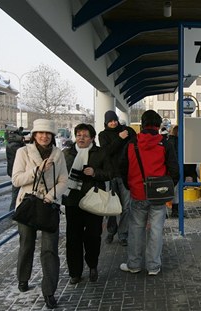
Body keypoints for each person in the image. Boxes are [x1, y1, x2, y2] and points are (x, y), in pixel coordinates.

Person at [11, 118, 68, 309]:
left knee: (50, 249)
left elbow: (63, 180)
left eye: (48, 133)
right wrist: (37, 170)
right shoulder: (23, 152)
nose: (44, 136)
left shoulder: (58, 154)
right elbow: (16, 179)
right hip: (28, 205)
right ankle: (23, 278)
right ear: (34, 135)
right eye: (40, 133)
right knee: (26, 243)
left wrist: (51, 196)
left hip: (48, 205)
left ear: (52, 136)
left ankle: (50, 291)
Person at [119, 110, 179, 276]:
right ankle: (153, 266)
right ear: (158, 125)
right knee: (156, 230)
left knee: (136, 230)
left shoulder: (132, 143)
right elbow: (175, 171)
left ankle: (134, 265)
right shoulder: (165, 144)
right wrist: (167, 188)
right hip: (158, 195)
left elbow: (122, 167)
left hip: (138, 193)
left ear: (142, 124)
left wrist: (130, 185)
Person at [62, 124, 111, 284]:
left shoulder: (100, 153)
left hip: (94, 200)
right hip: (73, 201)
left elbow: (110, 173)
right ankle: (75, 272)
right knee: (73, 237)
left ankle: (92, 265)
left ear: (92, 137)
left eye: (85, 135)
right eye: (78, 135)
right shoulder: (67, 154)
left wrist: (95, 173)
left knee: (93, 236)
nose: (81, 138)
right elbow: (59, 176)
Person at [98, 110, 137, 246]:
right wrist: (120, 138)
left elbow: (134, 143)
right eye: (110, 121)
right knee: (111, 207)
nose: (113, 123)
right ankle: (111, 231)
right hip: (111, 176)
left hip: (125, 175)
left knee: (126, 207)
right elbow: (106, 152)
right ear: (106, 122)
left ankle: (123, 234)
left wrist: (126, 135)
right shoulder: (103, 135)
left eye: (115, 120)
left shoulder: (127, 131)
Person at [168, 125, 198, 218]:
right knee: (177, 192)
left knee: (174, 191)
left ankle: (174, 210)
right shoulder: (181, 143)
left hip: (171, 171)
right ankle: (175, 210)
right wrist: (191, 174)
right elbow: (187, 159)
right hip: (178, 170)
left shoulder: (169, 142)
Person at [6, 127, 25, 211]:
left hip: (14, 171)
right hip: (16, 172)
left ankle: (14, 211)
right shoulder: (14, 145)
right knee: (16, 194)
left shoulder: (11, 143)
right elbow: (24, 152)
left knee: (16, 193)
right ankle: (12, 212)